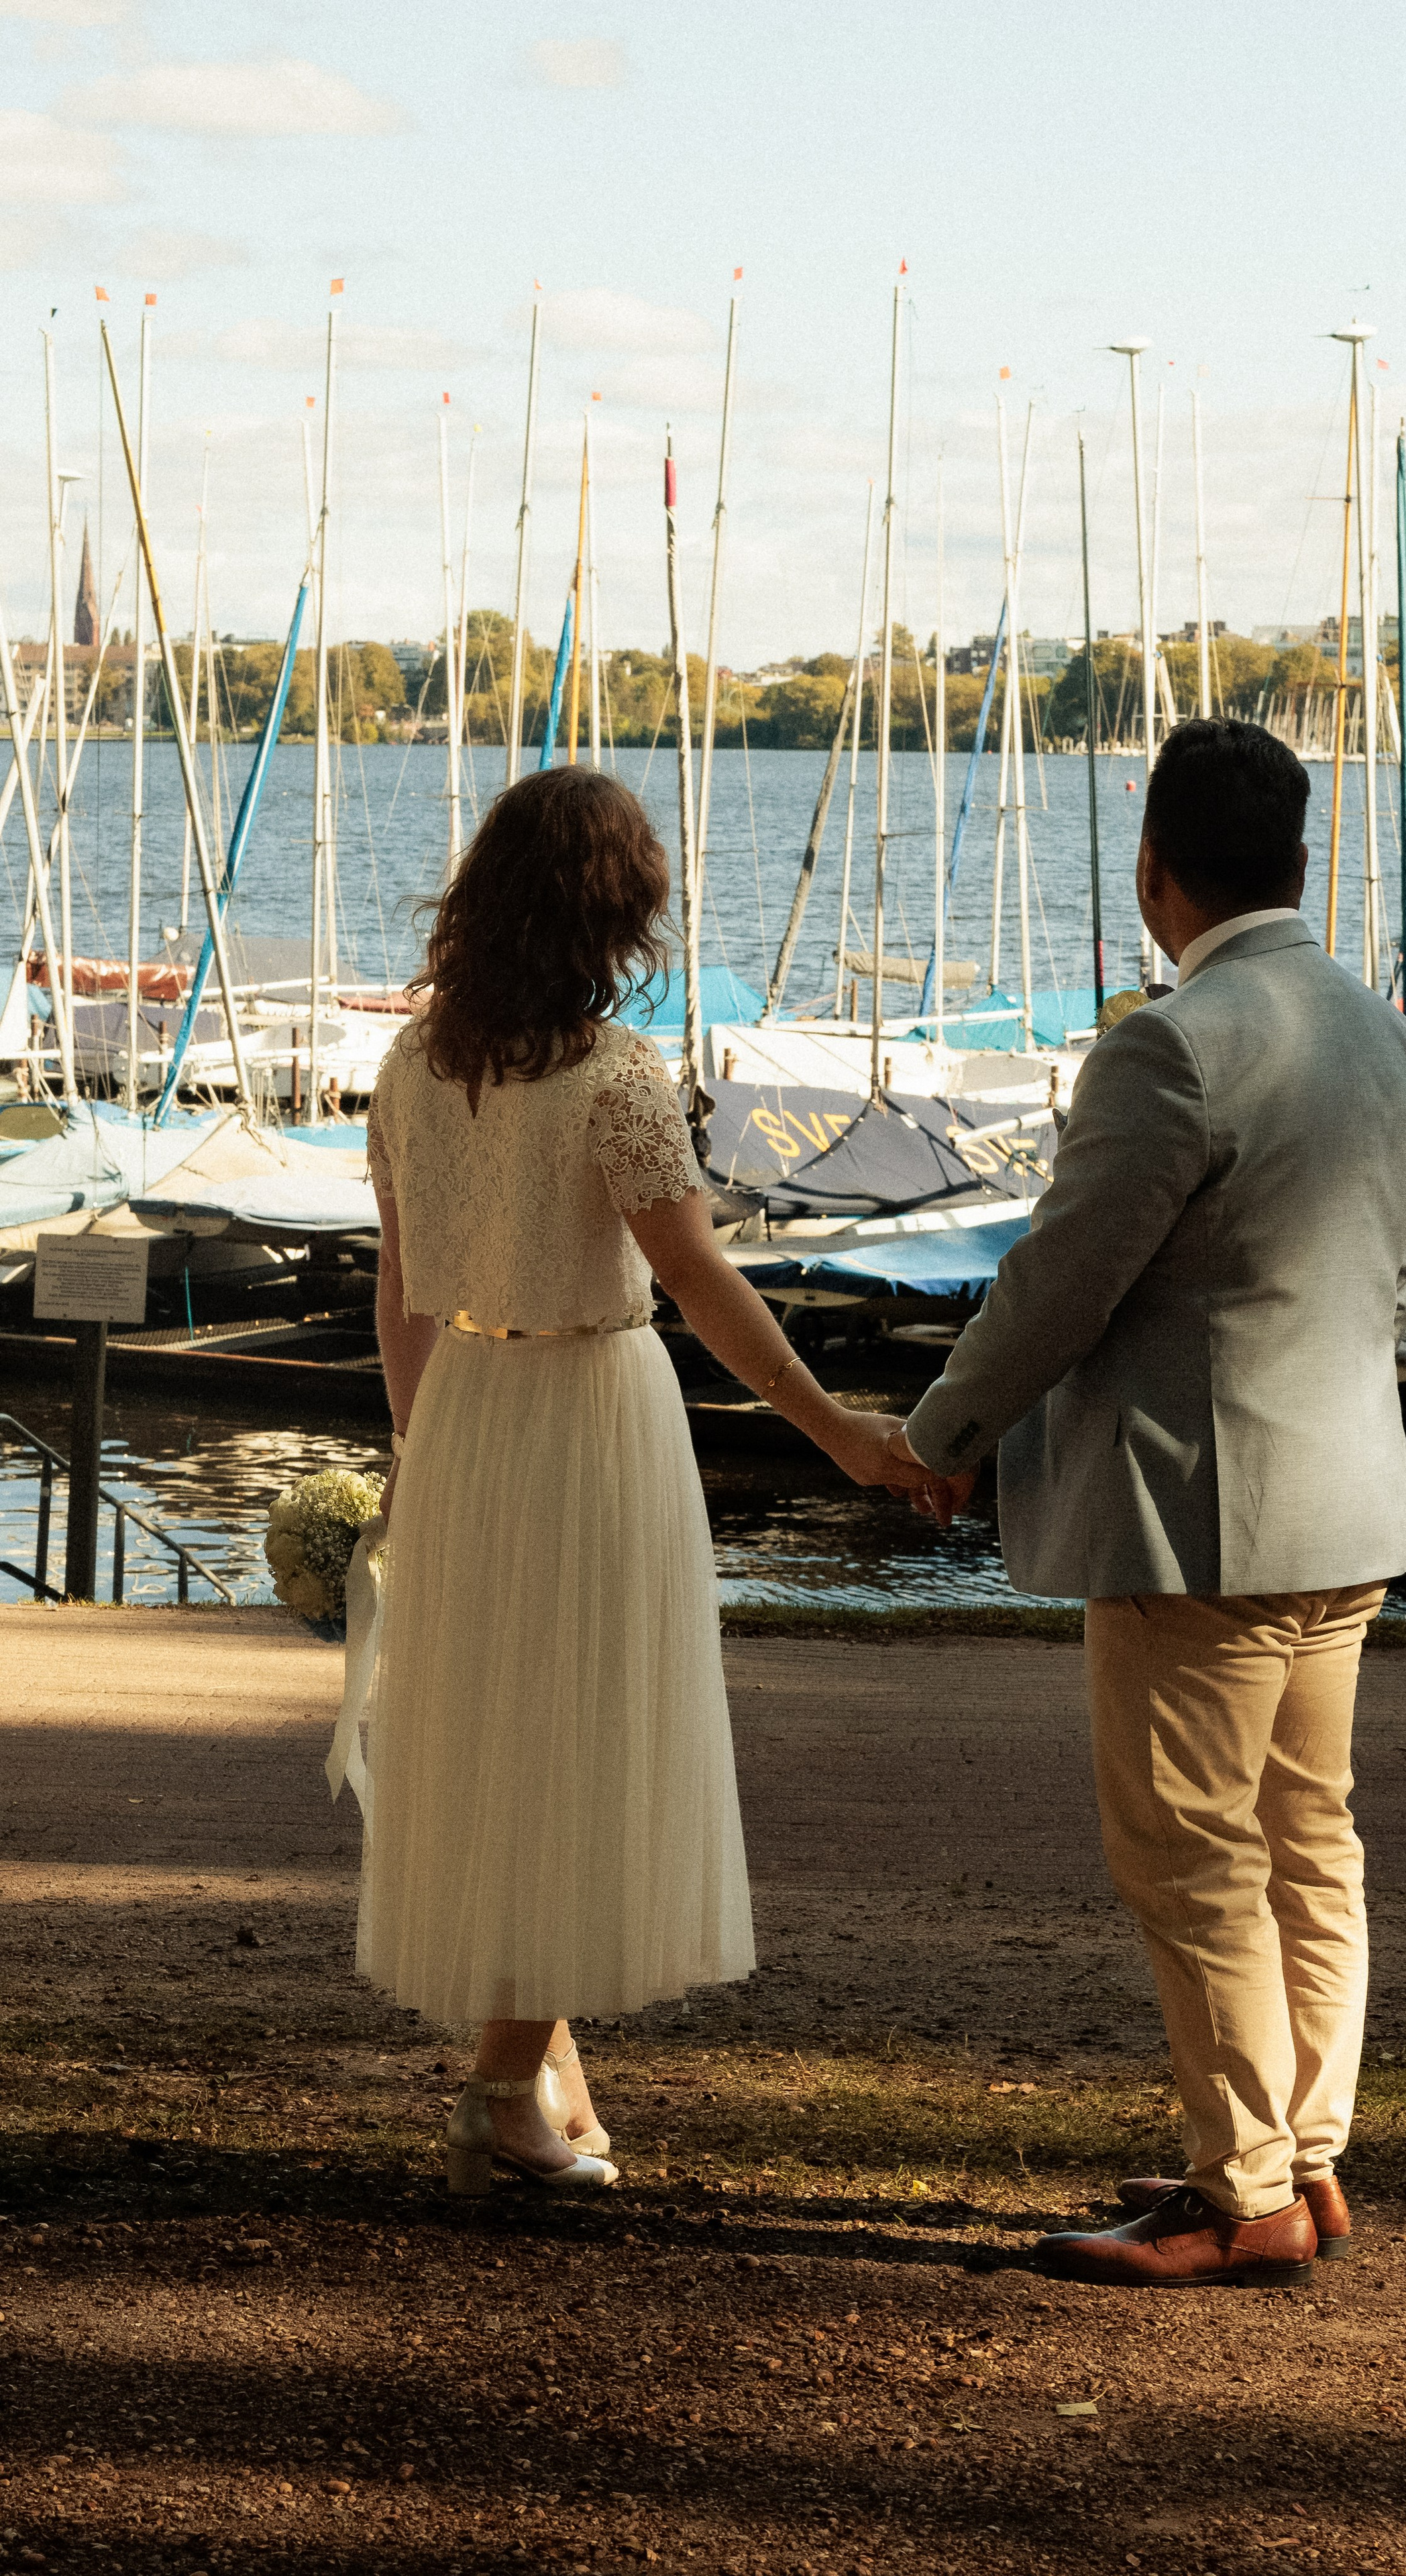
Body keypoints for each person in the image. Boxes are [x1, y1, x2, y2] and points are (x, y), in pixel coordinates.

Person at [887, 718, 1406, 2288]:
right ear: (1297, 854)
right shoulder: (1374, 1031)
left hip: (1202, 1515)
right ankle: (1300, 2152)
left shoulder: (1173, 1044)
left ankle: (1241, 2188)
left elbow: (1061, 1277)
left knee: (1189, 1854)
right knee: (1305, 1845)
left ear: (1152, 866)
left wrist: (942, 1429)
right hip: (1345, 1502)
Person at [362, 765, 929, 2197]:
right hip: (589, 1413)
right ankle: (501, 2089)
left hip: (472, 1414)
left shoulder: (410, 1069)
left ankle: (543, 2071)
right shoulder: (611, 1080)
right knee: (586, 1736)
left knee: (505, 1743)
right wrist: (836, 1428)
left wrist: (421, 1454)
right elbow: (695, 1279)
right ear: (616, 909)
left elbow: (402, 1290)